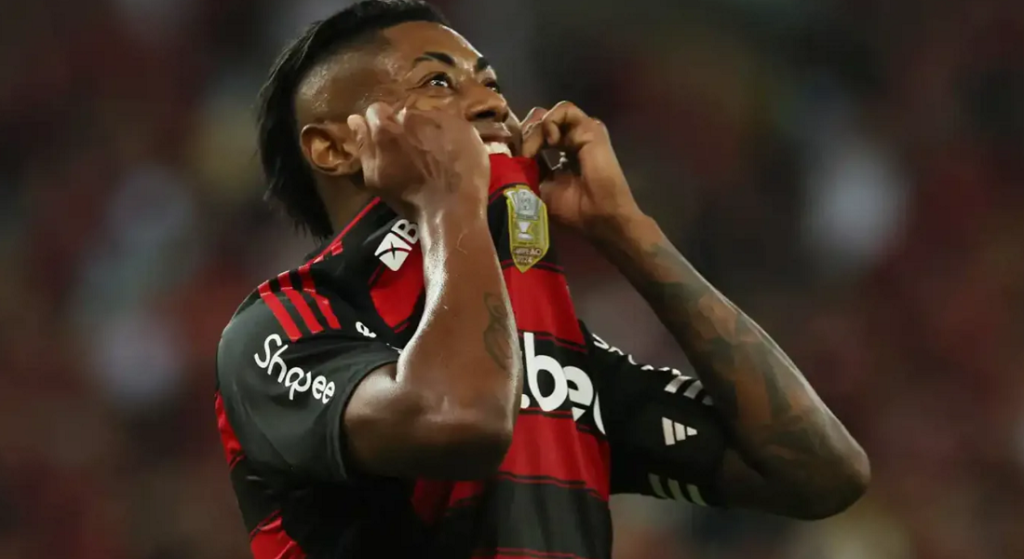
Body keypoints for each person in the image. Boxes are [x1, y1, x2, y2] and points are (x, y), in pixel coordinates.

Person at [214, 2, 870, 558]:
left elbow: (820, 472)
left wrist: (628, 231)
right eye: (438, 83)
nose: (493, 103)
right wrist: (446, 202)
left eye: (490, 83)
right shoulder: (281, 326)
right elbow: (461, 417)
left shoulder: (546, 342)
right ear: (335, 147)